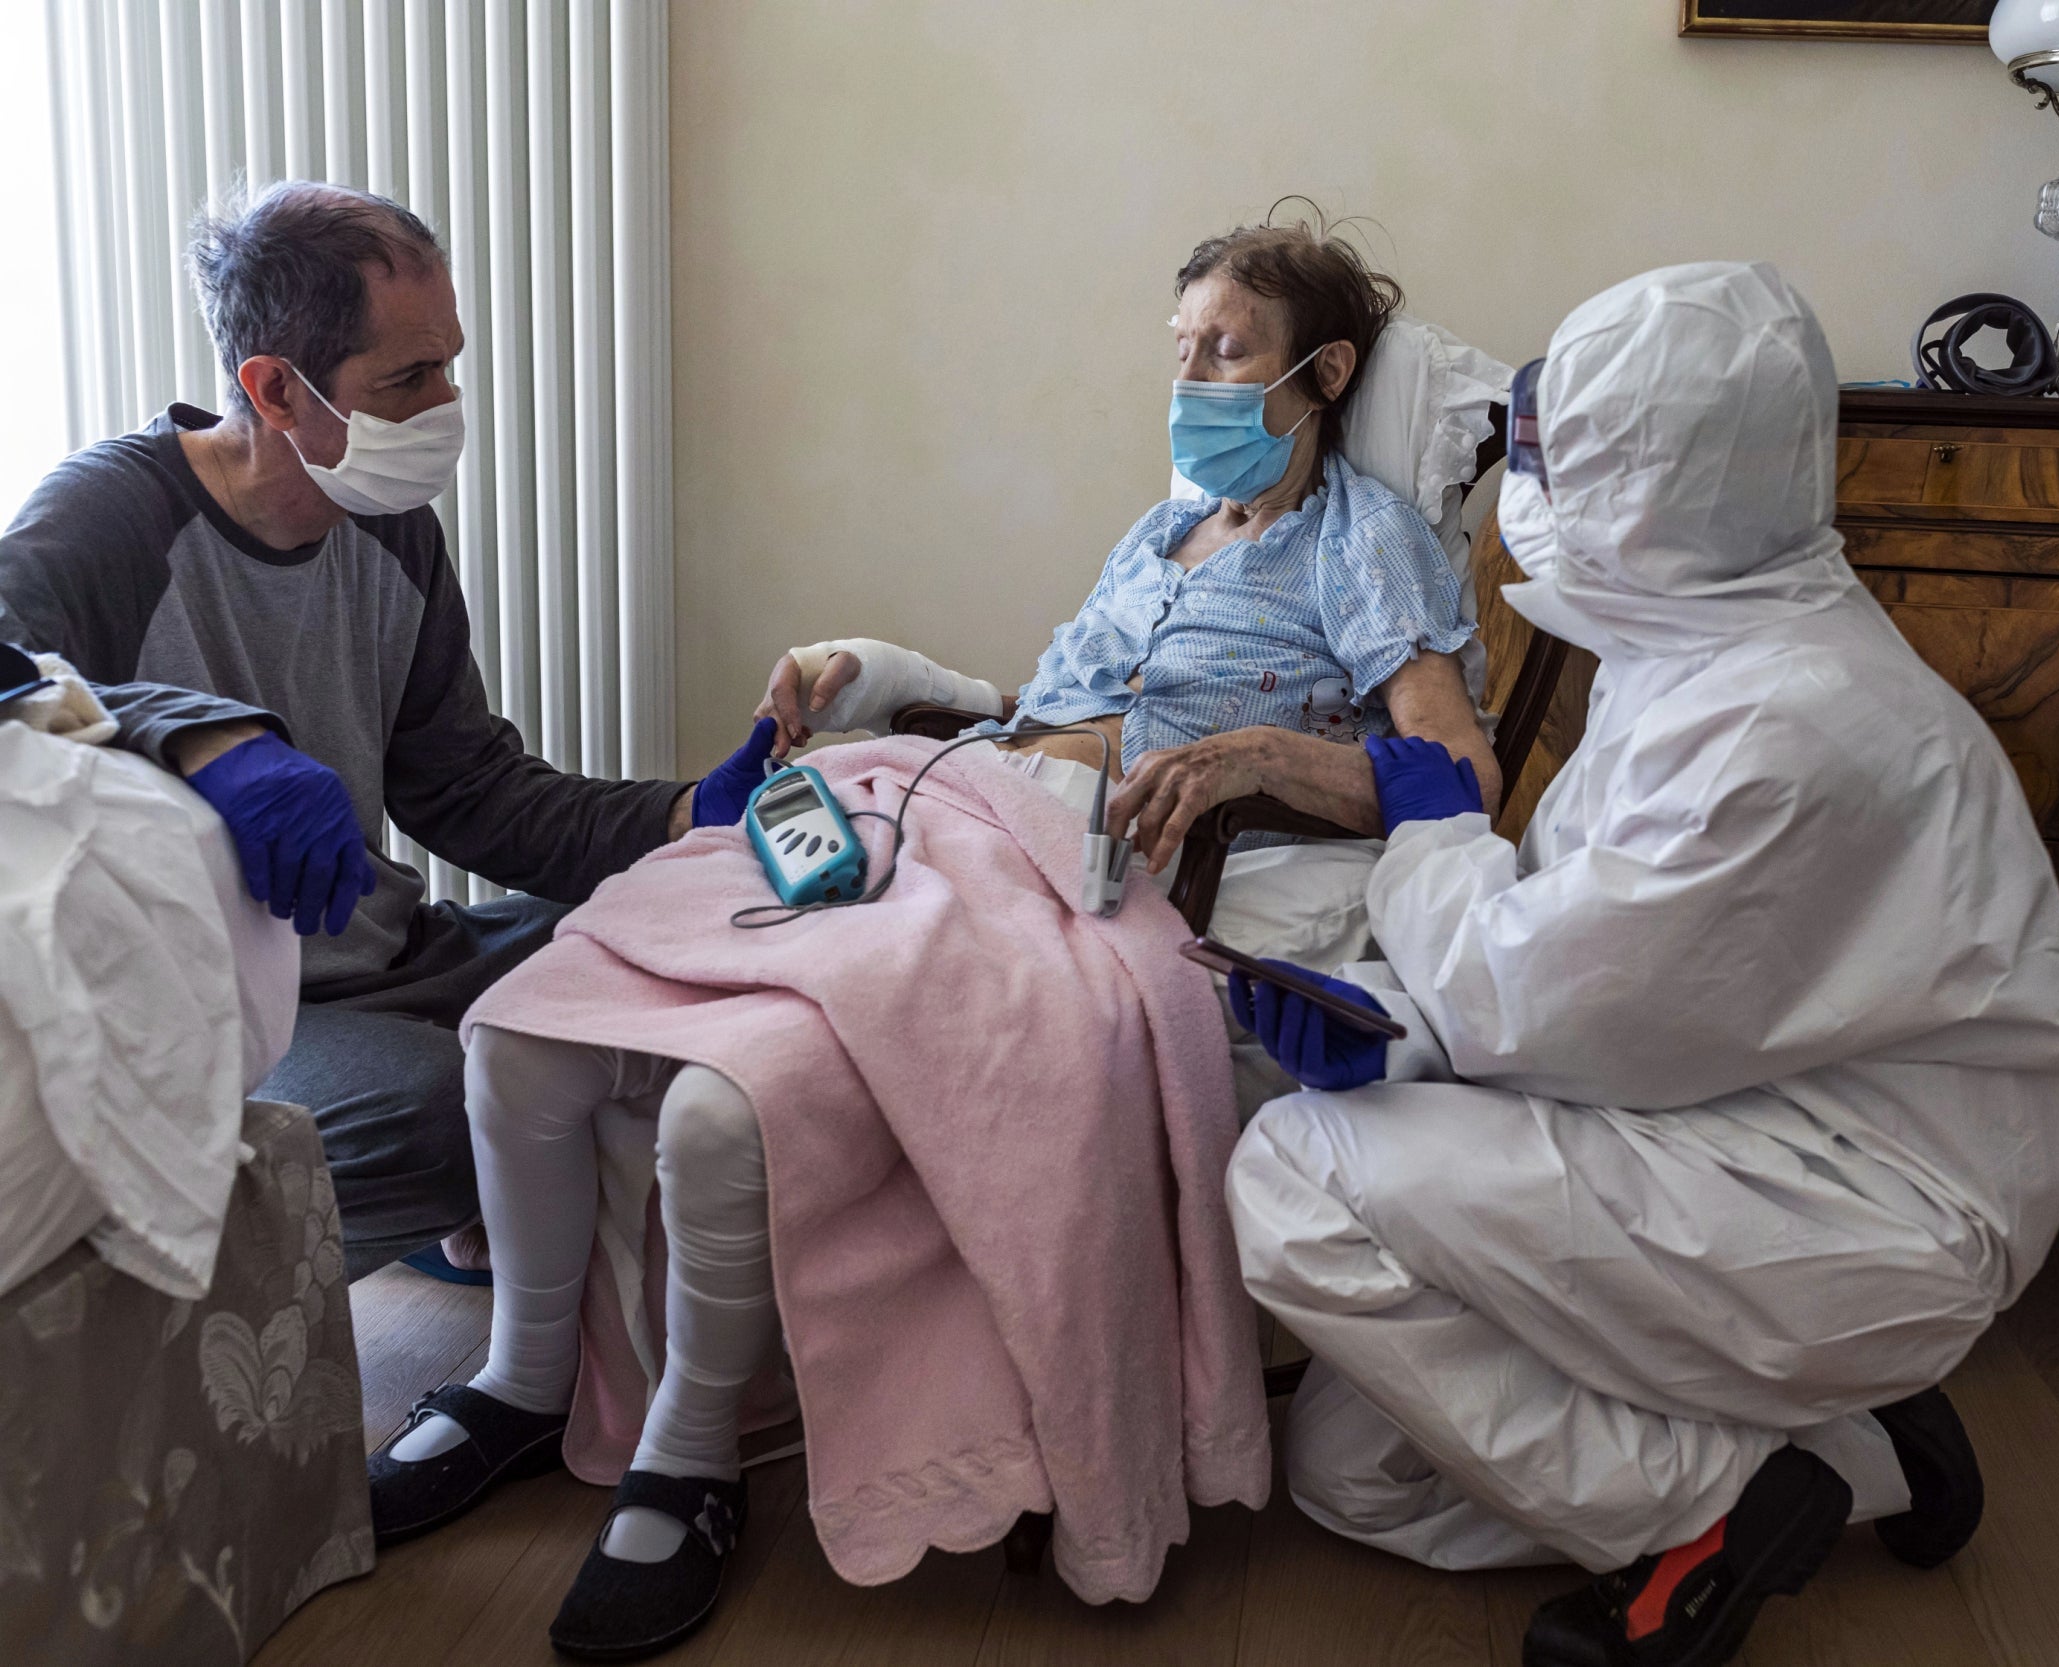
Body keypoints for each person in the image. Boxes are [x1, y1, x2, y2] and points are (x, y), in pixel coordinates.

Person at [365, 217, 1502, 1662]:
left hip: (1081, 872)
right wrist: (884, 673)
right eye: (1181, 351)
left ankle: (687, 1445)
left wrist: (1256, 757)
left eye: (1228, 352)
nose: (1193, 381)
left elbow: (1458, 775)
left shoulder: (1367, 545)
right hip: (964, 803)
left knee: (728, 1096)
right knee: (529, 1027)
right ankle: (524, 1381)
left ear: (1324, 373)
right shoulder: (1159, 533)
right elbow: (1037, 708)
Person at [1222, 263, 2059, 1667]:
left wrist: (1431, 837)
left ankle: (1721, 1502)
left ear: (1659, 482)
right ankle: (1852, 1453)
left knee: (1292, 1172)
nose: (1533, 484)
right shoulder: (1701, 643)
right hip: (1724, 1123)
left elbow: (1547, 1003)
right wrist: (1390, 1019)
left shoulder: (1790, 722)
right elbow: (1612, 964)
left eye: (1565, 455)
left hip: (1866, 1194)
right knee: (1350, 1475)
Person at [0, 182, 779, 1283]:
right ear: (274, 387)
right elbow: (7, 692)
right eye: (409, 378)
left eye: (449, 364)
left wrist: (685, 812)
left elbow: (467, 787)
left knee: (685, 934)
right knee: (445, 1110)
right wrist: (209, 739)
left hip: (389, 953)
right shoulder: (103, 522)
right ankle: (429, 1212)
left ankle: (477, 1207)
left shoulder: (387, 522)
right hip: (225, 1011)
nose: (447, 402)